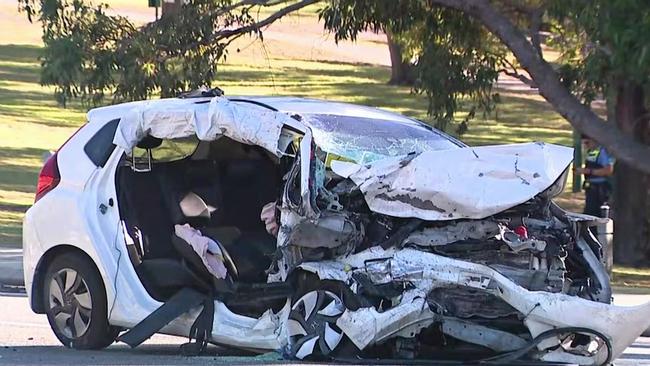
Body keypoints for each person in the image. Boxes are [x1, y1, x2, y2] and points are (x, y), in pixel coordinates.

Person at [574, 135, 615, 217]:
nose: (585, 146)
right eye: (584, 144)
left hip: (600, 189)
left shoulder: (603, 152)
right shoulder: (592, 151)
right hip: (591, 188)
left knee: (599, 215)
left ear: (594, 140)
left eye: (587, 143)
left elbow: (608, 170)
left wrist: (588, 171)